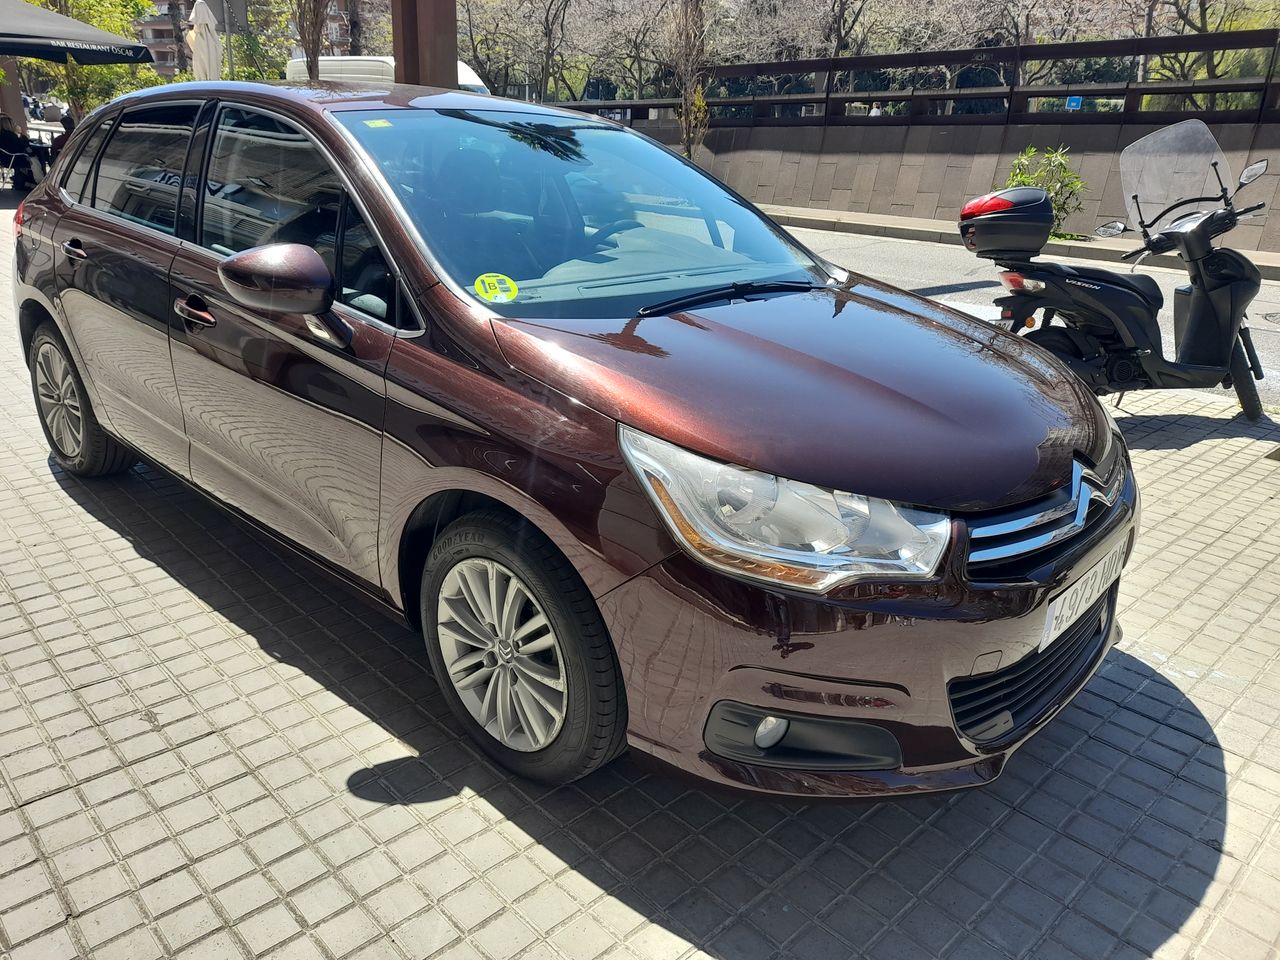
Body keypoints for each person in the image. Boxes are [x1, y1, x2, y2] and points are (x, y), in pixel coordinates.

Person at [0, 115, 43, 190]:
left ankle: (25, 181)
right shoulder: (11, 136)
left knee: (33, 157)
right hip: (14, 159)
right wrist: (22, 138)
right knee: (35, 159)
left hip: (4, 160)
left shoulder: (2, 135)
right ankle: (40, 180)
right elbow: (20, 147)